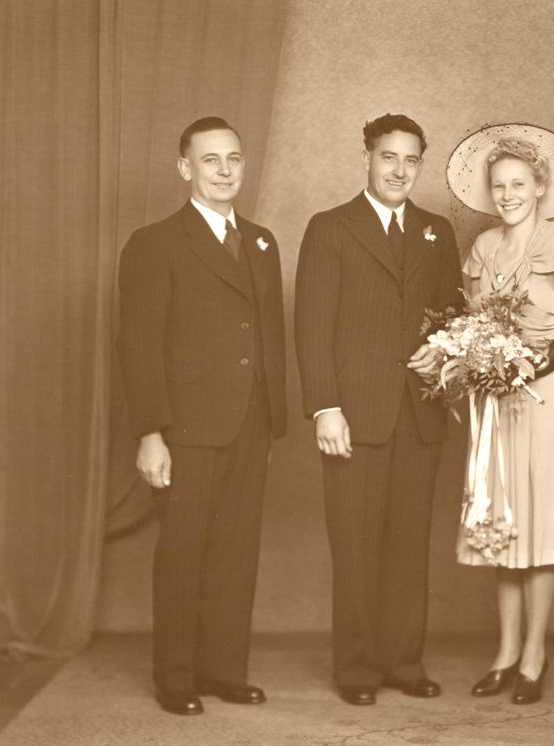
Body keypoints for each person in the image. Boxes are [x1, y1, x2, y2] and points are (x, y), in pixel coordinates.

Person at [117, 117, 287, 715]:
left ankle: (223, 671)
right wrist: (150, 434)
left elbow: (266, 334)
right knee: (184, 550)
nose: (224, 171)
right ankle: (177, 678)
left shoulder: (262, 241)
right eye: (210, 160)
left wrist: (271, 421)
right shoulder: (155, 242)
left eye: (233, 159)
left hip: (249, 422)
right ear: (185, 168)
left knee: (236, 552)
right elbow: (138, 345)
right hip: (184, 427)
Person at [294, 113, 463, 706]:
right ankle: (359, 669)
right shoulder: (331, 228)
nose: (399, 170)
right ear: (366, 156)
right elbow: (312, 328)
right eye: (388, 156)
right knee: (357, 546)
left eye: (411, 160)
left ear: (421, 165)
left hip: (419, 414)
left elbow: (453, 315)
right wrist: (325, 409)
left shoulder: (437, 231)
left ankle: (404, 662)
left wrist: (442, 352)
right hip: (354, 416)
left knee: (408, 544)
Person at [448, 130, 554, 705]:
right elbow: (476, 323)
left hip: (546, 395)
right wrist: (479, 359)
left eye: (518, 184)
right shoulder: (484, 247)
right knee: (501, 523)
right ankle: (505, 652)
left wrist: (522, 369)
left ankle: (535, 653)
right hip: (494, 398)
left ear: (539, 186)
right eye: (499, 186)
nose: (508, 194)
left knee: (541, 524)